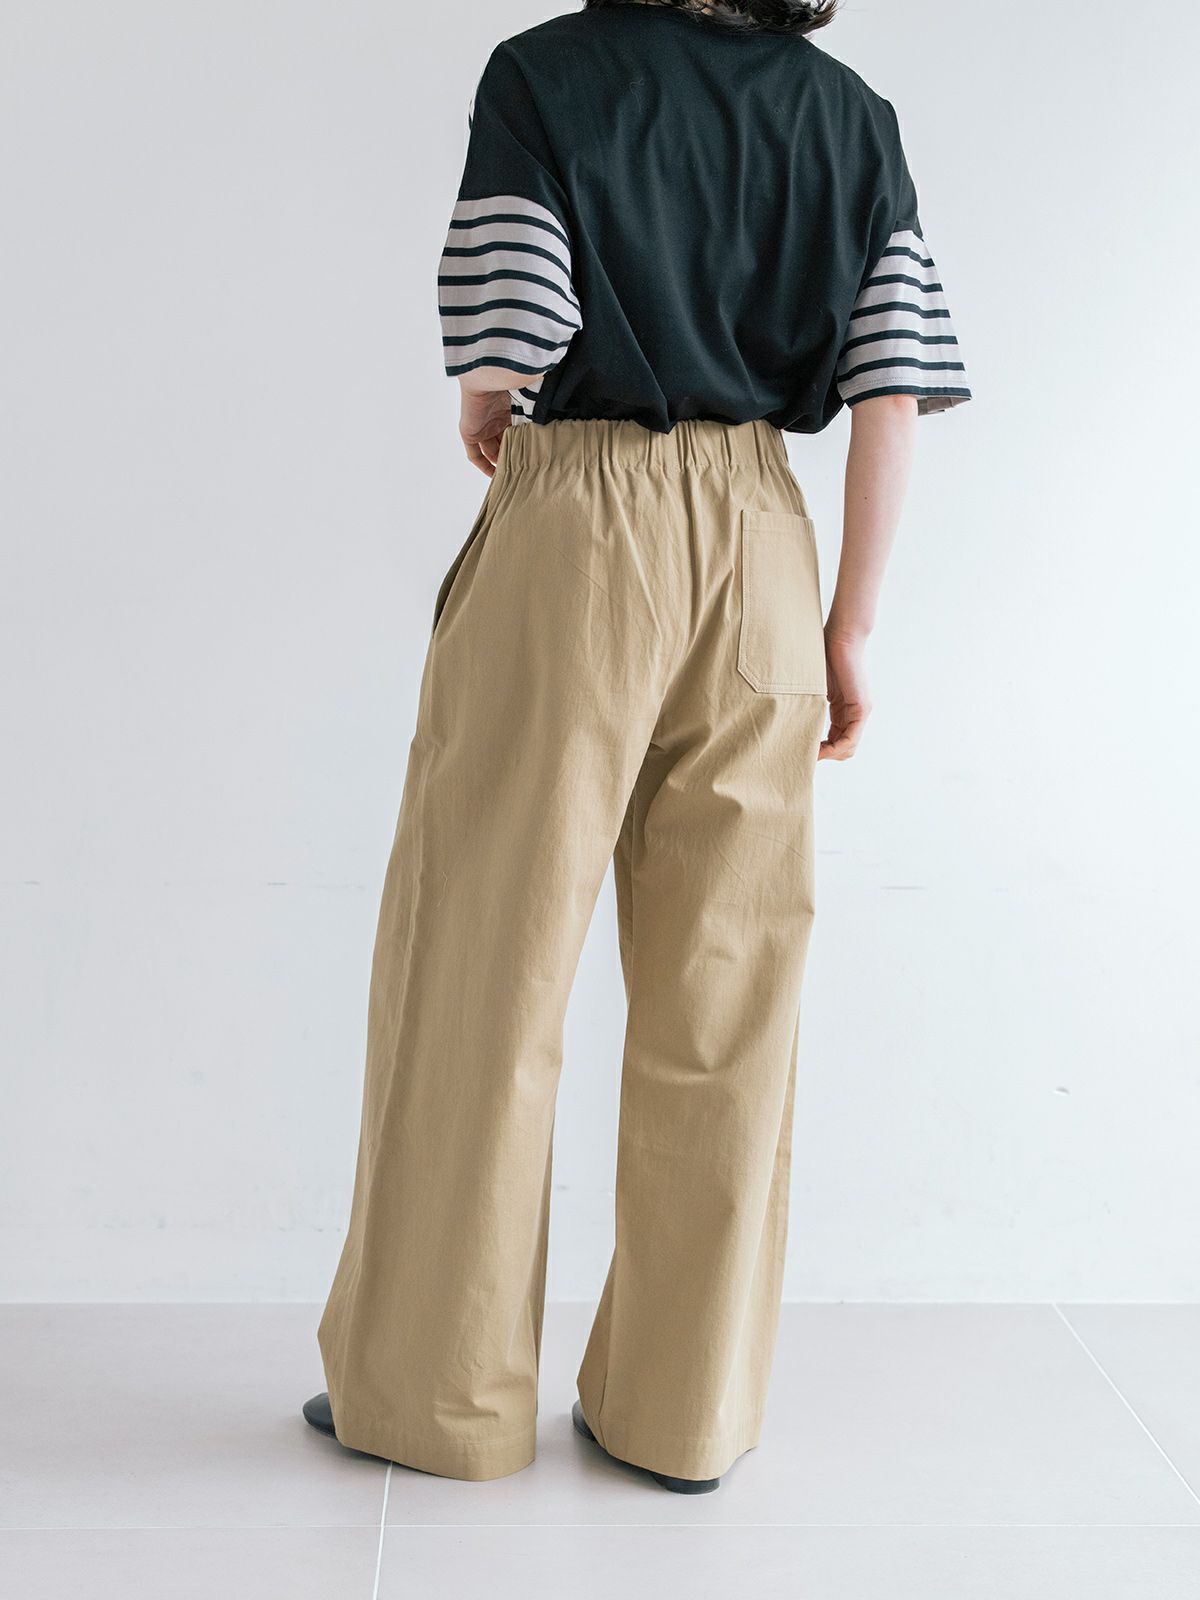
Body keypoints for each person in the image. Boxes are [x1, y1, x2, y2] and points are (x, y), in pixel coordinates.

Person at [304, 0, 971, 1495]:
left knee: (485, 962)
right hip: (764, 543)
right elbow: (891, 386)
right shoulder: (851, 117)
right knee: (728, 992)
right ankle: (681, 1416)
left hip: (579, 532)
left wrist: (490, 403)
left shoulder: (548, 74)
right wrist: (850, 627)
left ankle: (435, 1400)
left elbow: (513, 333)